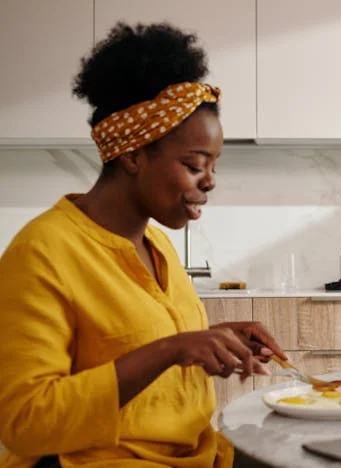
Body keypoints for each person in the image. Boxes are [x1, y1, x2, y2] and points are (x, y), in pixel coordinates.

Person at [0, 23, 284, 467]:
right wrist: (171, 349)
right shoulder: (41, 252)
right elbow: (25, 421)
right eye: (194, 164)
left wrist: (209, 342)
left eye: (214, 164)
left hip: (199, 454)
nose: (210, 182)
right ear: (133, 155)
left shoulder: (157, 244)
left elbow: (141, 348)